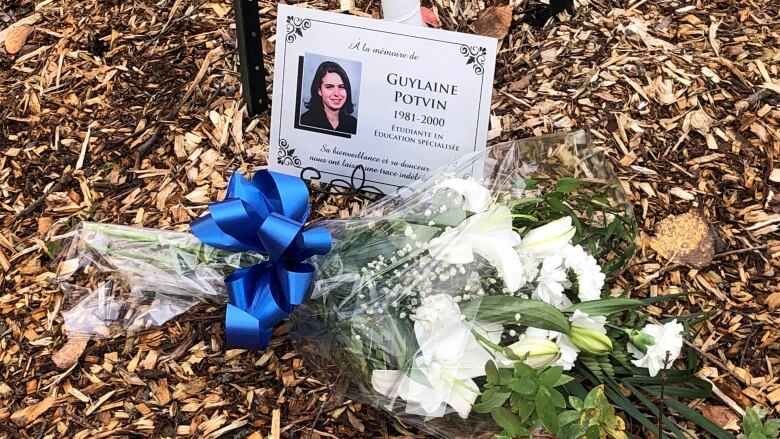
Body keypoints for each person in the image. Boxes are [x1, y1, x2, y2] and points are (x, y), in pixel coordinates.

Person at [299, 61, 358, 134]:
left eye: (341, 87)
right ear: (319, 91)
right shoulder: (305, 121)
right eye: (329, 87)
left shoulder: (353, 123)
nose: (336, 93)